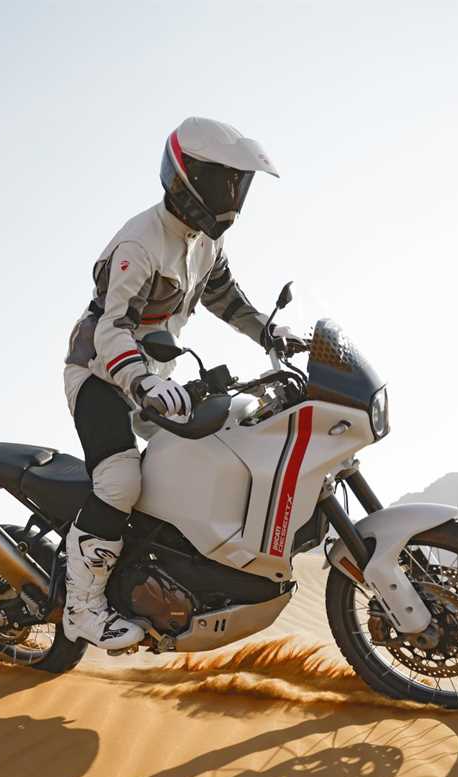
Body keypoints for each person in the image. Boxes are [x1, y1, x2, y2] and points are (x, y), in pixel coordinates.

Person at [61, 116, 300, 649]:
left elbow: (225, 298)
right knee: (120, 483)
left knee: (216, 453)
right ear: (187, 176)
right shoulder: (139, 243)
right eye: (224, 182)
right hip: (102, 377)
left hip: (157, 379)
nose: (232, 197)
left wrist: (268, 331)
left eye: (238, 185)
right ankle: (82, 608)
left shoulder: (203, 244)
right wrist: (140, 381)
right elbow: (109, 326)